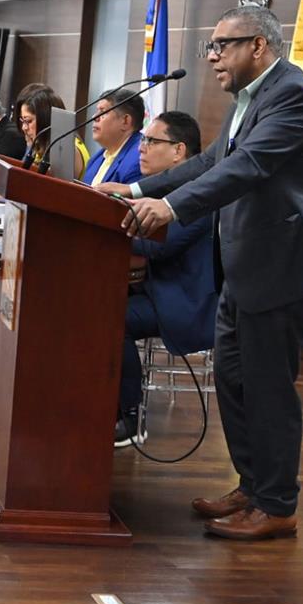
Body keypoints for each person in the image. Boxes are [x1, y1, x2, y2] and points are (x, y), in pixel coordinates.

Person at [97, 6, 303, 541]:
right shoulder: (248, 99)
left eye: (221, 46)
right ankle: (252, 486)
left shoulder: (293, 96)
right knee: (233, 381)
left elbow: (247, 167)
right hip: (242, 270)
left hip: (283, 271)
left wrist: (171, 208)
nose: (211, 57)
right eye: (211, 46)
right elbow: (210, 163)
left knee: (268, 390)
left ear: (259, 46)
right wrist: (135, 189)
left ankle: (278, 504)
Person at [114, 111, 216, 447]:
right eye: (142, 140)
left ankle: (130, 418)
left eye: (152, 141)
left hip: (183, 301)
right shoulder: (164, 190)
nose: (141, 148)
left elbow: (161, 247)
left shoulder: (196, 195)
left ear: (178, 151)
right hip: (154, 288)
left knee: (113, 318)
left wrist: (109, 231)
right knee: (91, 303)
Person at [17, 83, 89, 179]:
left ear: (46, 119)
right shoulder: (40, 145)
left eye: (29, 121)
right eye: (22, 121)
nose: (24, 127)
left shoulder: (68, 149)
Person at [82, 87, 145, 186]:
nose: (94, 117)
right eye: (97, 111)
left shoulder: (140, 158)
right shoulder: (95, 159)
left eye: (103, 112)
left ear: (125, 121)